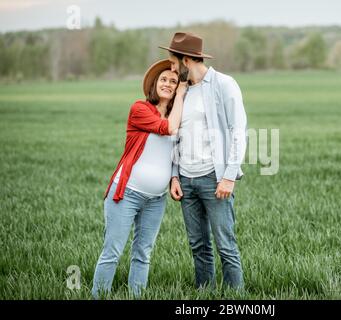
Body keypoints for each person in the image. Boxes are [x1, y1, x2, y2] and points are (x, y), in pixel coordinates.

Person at [91, 59, 187, 298]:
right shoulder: (140, 109)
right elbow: (169, 129)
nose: (167, 84)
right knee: (112, 252)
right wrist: (184, 90)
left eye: (173, 81)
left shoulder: (177, 116)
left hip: (156, 199)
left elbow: (174, 154)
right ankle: (99, 295)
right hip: (127, 193)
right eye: (163, 80)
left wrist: (174, 178)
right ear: (154, 85)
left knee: (143, 254)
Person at [160, 32, 247, 289]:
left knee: (225, 245)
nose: (172, 69)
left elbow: (238, 131)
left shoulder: (224, 84)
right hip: (186, 180)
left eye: (174, 63)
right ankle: (204, 296)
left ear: (186, 60)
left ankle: (235, 299)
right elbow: (176, 136)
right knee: (198, 245)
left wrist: (229, 176)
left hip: (214, 178)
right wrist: (174, 175)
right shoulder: (182, 92)